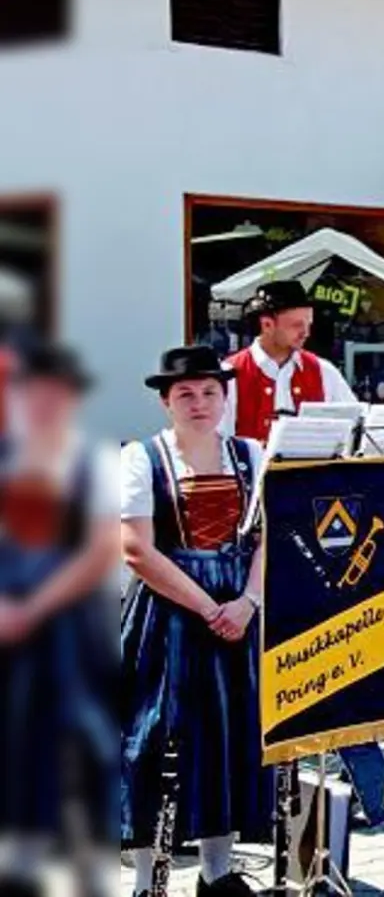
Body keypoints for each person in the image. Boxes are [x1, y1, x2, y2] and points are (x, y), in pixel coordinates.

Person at [120, 345, 273, 897]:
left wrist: (248, 602)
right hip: (169, 614)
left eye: (211, 391)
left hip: (237, 611)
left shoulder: (252, 455)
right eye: (186, 393)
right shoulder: (144, 458)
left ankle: (217, 872)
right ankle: (145, 880)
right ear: (166, 402)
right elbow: (136, 549)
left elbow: (269, 537)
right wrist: (209, 607)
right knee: (152, 738)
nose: (200, 402)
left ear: (225, 398)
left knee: (227, 735)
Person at [0, 342, 119, 886]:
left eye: (55, 395)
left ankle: (89, 861)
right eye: (34, 393)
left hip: (71, 626)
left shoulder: (91, 463)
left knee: (81, 746)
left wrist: (33, 607)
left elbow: (99, 551)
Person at [221, 280, 358, 440]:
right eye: (297, 325)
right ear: (267, 325)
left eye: (309, 324)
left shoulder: (323, 371)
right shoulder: (229, 375)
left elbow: (354, 426)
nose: (306, 333)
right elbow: (218, 444)